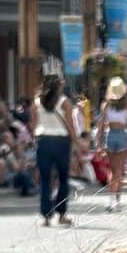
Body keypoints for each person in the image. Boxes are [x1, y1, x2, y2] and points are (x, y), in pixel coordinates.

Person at [33, 75, 77, 229]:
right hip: (61, 142)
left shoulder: (37, 101)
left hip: (43, 140)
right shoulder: (64, 102)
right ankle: (61, 213)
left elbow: (33, 123)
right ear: (58, 86)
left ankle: (45, 215)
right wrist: (75, 142)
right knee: (63, 178)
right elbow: (70, 125)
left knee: (45, 180)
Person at [92, 76, 127, 214]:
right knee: (119, 171)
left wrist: (98, 143)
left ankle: (111, 201)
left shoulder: (106, 105)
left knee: (112, 170)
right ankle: (117, 201)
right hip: (123, 135)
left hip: (110, 135)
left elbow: (100, 126)